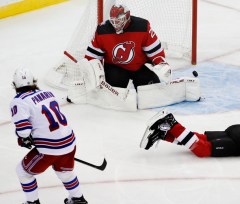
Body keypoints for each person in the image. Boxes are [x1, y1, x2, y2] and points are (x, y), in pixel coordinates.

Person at [10, 68, 88, 204]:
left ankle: (32, 202)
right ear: (33, 81)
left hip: (50, 148)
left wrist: (23, 138)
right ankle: (78, 198)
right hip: (69, 141)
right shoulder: (47, 93)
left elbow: (23, 131)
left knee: (23, 172)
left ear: (15, 85)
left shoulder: (19, 101)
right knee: (65, 173)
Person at [140, 100, 240, 159]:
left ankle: (164, 133)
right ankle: (171, 123)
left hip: (238, 130)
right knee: (202, 150)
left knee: (199, 139)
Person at [83, 3, 171, 89]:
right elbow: (92, 57)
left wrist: (161, 64)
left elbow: (155, 52)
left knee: (151, 88)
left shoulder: (142, 27)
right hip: (115, 68)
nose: (115, 24)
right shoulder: (102, 30)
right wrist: (90, 75)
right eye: (113, 20)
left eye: (118, 20)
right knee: (114, 87)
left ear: (127, 17)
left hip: (139, 66)